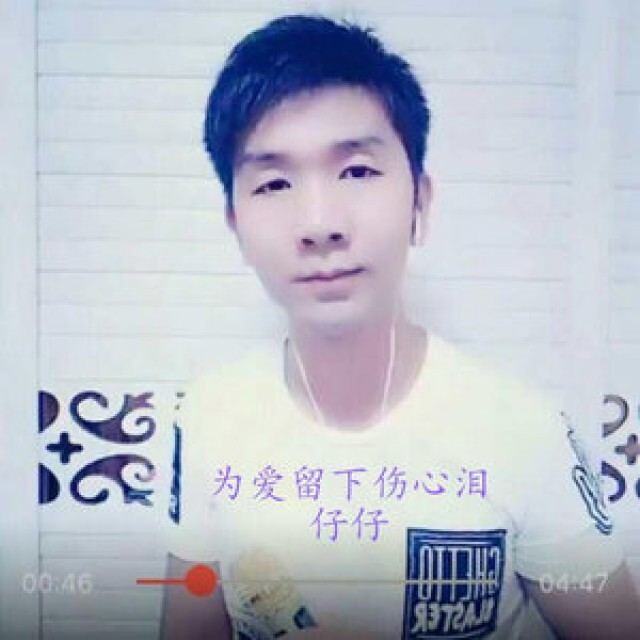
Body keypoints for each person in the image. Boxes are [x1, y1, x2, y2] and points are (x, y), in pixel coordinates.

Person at [160, 14, 639, 640]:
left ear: (420, 202)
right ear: (235, 226)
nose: (320, 224)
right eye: (274, 183)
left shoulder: (524, 434)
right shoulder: (207, 416)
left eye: (357, 171)